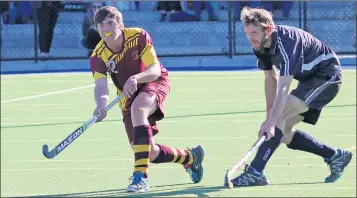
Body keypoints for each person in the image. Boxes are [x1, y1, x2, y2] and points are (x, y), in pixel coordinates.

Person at [225, 7, 353, 187]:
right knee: (282, 131)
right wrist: (269, 118)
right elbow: (271, 79)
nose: (251, 37)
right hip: (309, 80)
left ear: (268, 29)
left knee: (278, 120)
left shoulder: (287, 43)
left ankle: (255, 172)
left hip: (327, 76)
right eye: (247, 33)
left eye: (254, 32)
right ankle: (335, 156)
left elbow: (284, 88)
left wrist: (271, 122)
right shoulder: (260, 45)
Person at [89, 6, 204, 193]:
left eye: (110, 23)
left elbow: (154, 69)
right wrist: (101, 104)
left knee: (139, 109)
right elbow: (101, 86)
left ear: (120, 24)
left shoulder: (139, 36)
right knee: (147, 152)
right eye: (100, 25)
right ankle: (189, 158)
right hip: (127, 95)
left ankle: (140, 177)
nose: (105, 28)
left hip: (153, 80)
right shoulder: (97, 56)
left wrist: (136, 78)